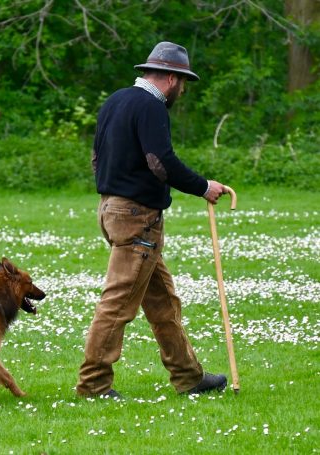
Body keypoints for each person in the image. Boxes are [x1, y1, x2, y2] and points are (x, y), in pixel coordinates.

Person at [76, 41, 228, 399]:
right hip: (137, 218)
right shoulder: (151, 106)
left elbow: (96, 158)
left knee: (163, 303)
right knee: (117, 304)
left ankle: (189, 377)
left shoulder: (115, 100)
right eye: (184, 83)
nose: (183, 90)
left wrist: (113, 191)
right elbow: (161, 162)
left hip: (112, 209)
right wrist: (203, 187)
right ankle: (93, 385)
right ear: (173, 79)